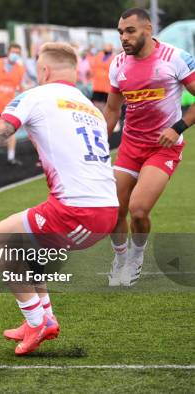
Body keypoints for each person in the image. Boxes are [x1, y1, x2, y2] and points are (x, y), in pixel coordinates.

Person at [0, 42, 119, 355]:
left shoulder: (36, 95)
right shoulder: (89, 108)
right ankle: (44, 317)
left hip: (76, 212)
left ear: (43, 70)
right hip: (107, 213)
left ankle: (36, 320)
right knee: (24, 244)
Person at [104, 8, 195, 287]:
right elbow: (111, 110)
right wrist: (97, 146)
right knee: (112, 210)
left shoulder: (175, 58)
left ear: (148, 30)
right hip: (131, 146)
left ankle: (136, 256)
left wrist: (178, 127)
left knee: (139, 210)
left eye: (130, 31)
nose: (124, 37)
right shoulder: (118, 64)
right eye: (120, 32)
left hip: (163, 148)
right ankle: (120, 257)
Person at [0, 43, 28, 166]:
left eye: (18, 53)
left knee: (10, 132)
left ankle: (11, 157)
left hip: (8, 107)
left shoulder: (20, 69)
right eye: (13, 52)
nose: (15, 55)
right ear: (8, 52)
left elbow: (22, 87)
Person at [89, 43, 115, 110]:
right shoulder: (99, 55)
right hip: (97, 84)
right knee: (96, 103)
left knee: (106, 104)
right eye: (105, 46)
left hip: (107, 85)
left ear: (111, 48)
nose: (106, 48)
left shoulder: (114, 57)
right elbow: (93, 67)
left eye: (108, 47)